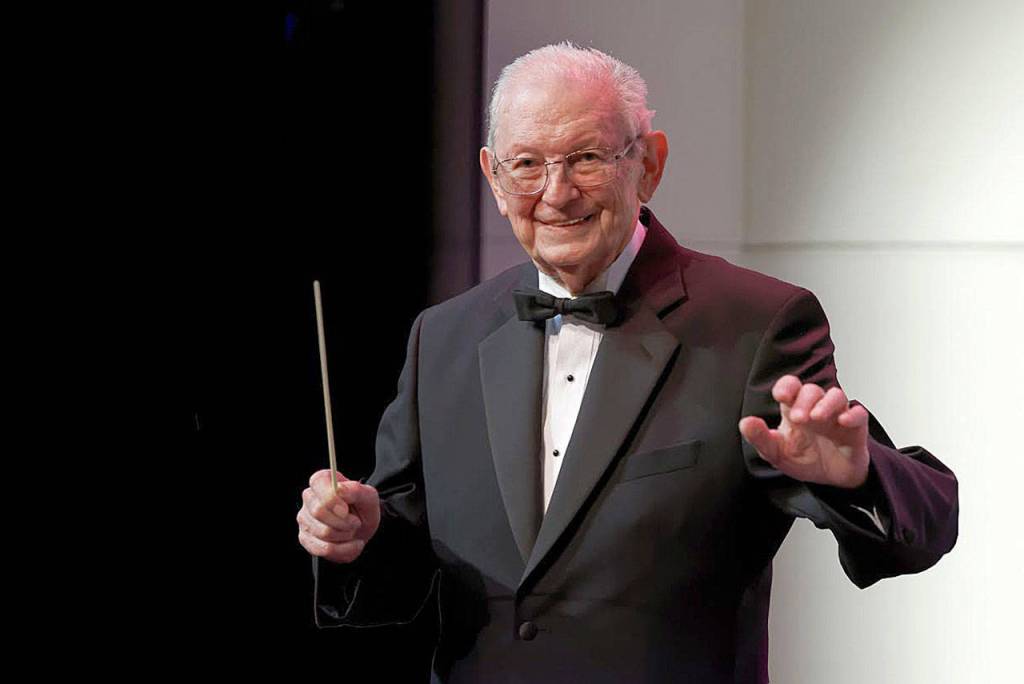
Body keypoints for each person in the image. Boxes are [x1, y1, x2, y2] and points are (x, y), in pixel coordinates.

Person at [296, 43, 958, 683]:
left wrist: (857, 477)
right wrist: (359, 535)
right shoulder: (440, 337)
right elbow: (399, 573)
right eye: (526, 163)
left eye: (585, 157)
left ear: (650, 164)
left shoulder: (755, 325)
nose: (556, 194)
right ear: (493, 179)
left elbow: (924, 527)